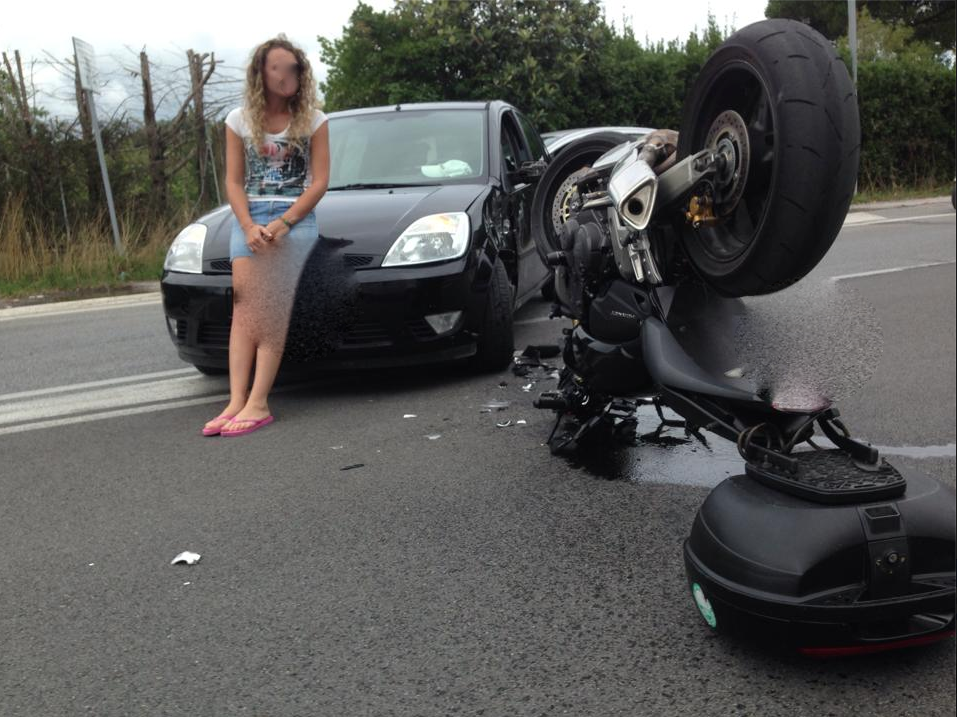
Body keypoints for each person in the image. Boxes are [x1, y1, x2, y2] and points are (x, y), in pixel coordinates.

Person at [202, 35, 329, 437]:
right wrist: (247, 225)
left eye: (292, 68)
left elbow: (320, 182)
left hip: (293, 221)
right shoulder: (239, 120)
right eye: (276, 67)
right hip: (250, 219)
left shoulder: (314, 120)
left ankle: (259, 403)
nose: (285, 75)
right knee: (244, 311)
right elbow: (234, 181)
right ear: (261, 72)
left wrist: (284, 224)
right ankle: (236, 401)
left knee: (270, 312)